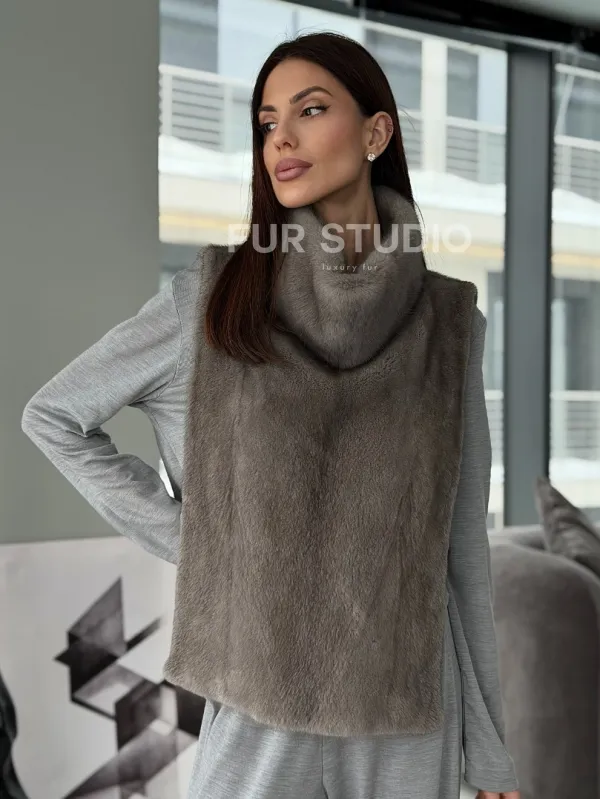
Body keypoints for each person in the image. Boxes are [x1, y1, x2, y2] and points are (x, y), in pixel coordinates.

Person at [21, 30, 521, 799]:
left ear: (376, 132)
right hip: (262, 718)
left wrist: (488, 755)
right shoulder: (215, 299)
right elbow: (55, 416)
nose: (280, 137)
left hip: (409, 720)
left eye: (310, 110)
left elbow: (461, 557)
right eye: (266, 122)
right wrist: (206, 546)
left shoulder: (449, 326)